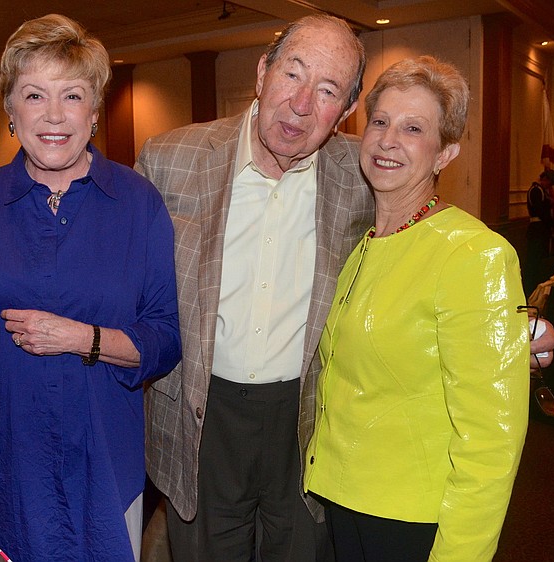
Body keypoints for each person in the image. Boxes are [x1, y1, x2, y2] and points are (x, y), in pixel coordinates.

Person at [0, 14, 181, 562]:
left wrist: (83, 338)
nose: (55, 116)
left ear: (94, 109)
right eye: (35, 95)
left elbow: (162, 340)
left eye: (73, 95)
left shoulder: (138, 204)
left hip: (106, 474)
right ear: (11, 110)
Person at [136, 14, 375, 561]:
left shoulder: (362, 176)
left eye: (328, 91)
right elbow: (114, 274)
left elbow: (426, 239)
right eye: (293, 75)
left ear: (346, 110)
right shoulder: (170, 160)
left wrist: (504, 324)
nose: (302, 103)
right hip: (201, 410)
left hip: (305, 417)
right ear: (263, 72)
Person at [303, 56, 530, 562]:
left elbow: (492, 441)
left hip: (414, 522)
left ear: (445, 152)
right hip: (345, 503)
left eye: (413, 128)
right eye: (380, 122)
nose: (388, 140)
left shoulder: (474, 253)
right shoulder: (364, 245)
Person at [524, 168, 554, 294]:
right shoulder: (536, 190)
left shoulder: (541, 191)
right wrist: (553, 224)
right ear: (545, 179)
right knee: (535, 259)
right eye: (550, 183)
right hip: (538, 229)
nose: (550, 186)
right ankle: (531, 288)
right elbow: (541, 211)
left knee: (540, 258)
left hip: (541, 229)